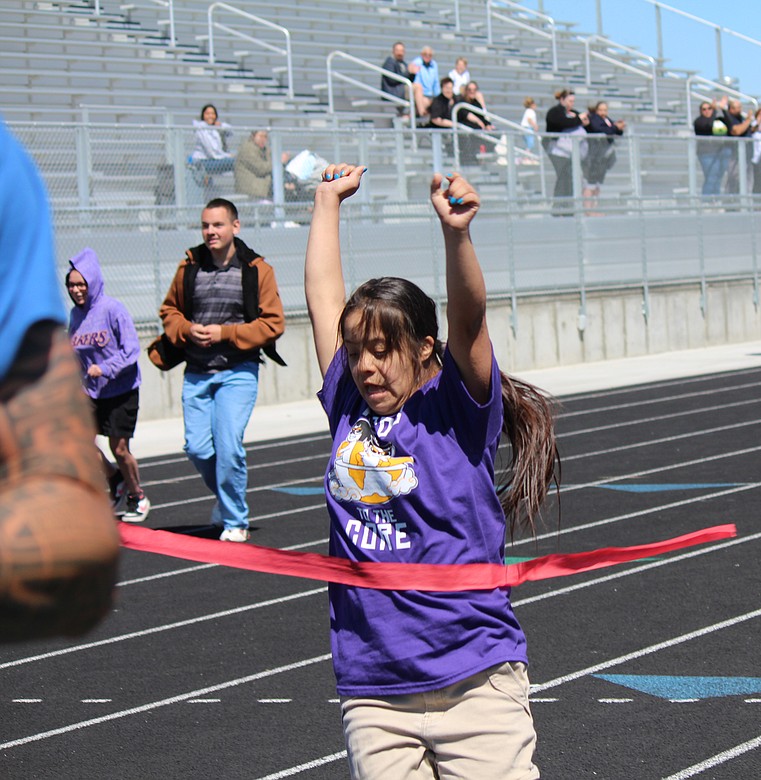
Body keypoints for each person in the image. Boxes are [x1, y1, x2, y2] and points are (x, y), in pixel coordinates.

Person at [304, 164, 559, 778]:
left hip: (475, 680)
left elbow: (470, 320)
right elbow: (322, 295)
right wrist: (325, 201)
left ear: (422, 347)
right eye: (355, 351)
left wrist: (457, 235)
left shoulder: (457, 408)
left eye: (381, 351)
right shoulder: (347, 401)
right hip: (374, 688)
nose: (364, 367)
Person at [0, 120, 120, 641]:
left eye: (79, 283)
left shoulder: (5, 171)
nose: (74, 290)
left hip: (114, 390)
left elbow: (77, 551)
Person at [154, 198, 286, 542]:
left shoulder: (256, 269)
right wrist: (186, 329)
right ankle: (227, 501)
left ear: (235, 227)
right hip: (197, 371)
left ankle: (235, 519)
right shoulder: (189, 266)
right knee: (197, 448)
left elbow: (273, 324)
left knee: (228, 447)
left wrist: (224, 333)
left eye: (218, 225)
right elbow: (169, 310)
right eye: (205, 226)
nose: (210, 232)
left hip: (238, 371)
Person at [65, 248, 150, 522]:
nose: (76, 290)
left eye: (81, 284)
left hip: (121, 390)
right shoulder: (75, 315)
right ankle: (115, 480)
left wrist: (105, 367)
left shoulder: (113, 309)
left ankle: (137, 495)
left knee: (120, 449)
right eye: (71, 285)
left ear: (93, 282)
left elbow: (131, 350)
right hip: (90, 390)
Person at [545, 88, 588, 216]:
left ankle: (568, 207)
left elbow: (583, 121)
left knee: (570, 178)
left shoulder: (573, 112)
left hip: (571, 153)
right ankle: (558, 207)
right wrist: (579, 120)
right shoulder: (555, 112)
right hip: (558, 151)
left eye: (573, 101)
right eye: (569, 101)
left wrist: (584, 121)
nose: (571, 104)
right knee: (563, 177)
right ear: (562, 100)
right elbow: (561, 122)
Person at [582, 101, 624, 213]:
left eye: (605, 110)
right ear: (596, 110)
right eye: (600, 110)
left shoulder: (607, 120)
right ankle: (587, 210)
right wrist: (615, 128)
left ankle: (594, 208)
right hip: (594, 156)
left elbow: (614, 131)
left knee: (597, 184)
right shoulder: (594, 119)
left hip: (603, 157)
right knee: (590, 184)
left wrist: (619, 128)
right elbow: (601, 130)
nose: (603, 112)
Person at [233, 129, 286, 201]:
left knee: (290, 184)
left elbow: (270, 163)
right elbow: (261, 169)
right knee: (286, 188)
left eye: (265, 137)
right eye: (260, 136)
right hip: (252, 186)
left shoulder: (265, 149)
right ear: (253, 136)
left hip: (264, 183)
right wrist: (279, 162)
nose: (263, 139)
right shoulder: (247, 149)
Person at [693, 100, 731, 198]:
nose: (707, 111)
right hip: (707, 154)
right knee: (711, 177)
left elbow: (730, 124)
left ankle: (715, 199)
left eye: (709, 108)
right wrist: (714, 110)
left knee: (718, 177)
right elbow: (709, 126)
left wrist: (723, 109)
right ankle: (706, 201)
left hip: (721, 153)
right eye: (704, 109)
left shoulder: (718, 120)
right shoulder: (698, 122)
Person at [455, 81, 492, 166]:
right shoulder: (461, 101)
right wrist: (478, 121)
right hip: (465, 129)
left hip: (476, 130)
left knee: (494, 132)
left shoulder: (476, 102)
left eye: (474, 90)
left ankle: (484, 156)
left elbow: (481, 116)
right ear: (466, 91)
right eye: (470, 90)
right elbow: (465, 113)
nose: (472, 92)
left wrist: (487, 124)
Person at [191, 104, 233, 176]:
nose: (210, 116)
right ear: (203, 116)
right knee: (237, 162)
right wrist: (227, 155)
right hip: (203, 161)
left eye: (213, 113)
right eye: (207, 113)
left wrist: (220, 126)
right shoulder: (201, 129)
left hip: (212, 160)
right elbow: (212, 153)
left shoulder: (214, 128)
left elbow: (231, 131)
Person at [380, 41, 411, 119]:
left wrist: (413, 73)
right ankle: (418, 113)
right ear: (393, 51)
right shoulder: (389, 62)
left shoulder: (403, 64)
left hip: (401, 91)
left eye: (402, 51)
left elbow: (409, 79)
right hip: (393, 92)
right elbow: (392, 79)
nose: (400, 53)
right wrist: (408, 72)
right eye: (398, 50)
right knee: (417, 88)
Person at [409, 46, 440, 118]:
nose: (427, 56)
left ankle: (412, 115)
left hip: (429, 94)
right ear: (422, 54)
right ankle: (420, 113)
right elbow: (413, 71)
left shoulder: (434, 65)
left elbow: (436, 82)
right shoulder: (418, 62)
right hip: (420, 93)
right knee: (425, 102)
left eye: (430, 55)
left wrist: (438, 96)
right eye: (425, 54)